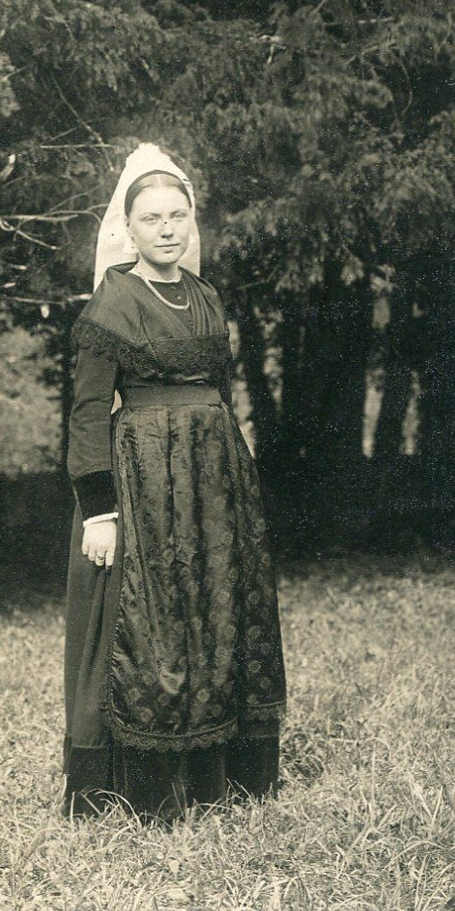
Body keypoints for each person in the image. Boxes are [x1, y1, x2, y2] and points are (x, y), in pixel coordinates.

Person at [63, 143, 286, 821]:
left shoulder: (208, 296)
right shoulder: (115, 298)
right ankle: (146, 787)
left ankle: (221, 775)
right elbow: (88, 410)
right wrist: (98, 511)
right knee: (152, 624)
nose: (166, 228)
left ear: (191, 222)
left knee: (217, 612)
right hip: (142, 479)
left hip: (213, 480)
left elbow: (217, 392)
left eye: (177, 216)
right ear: (126, 229)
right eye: (152, 217)